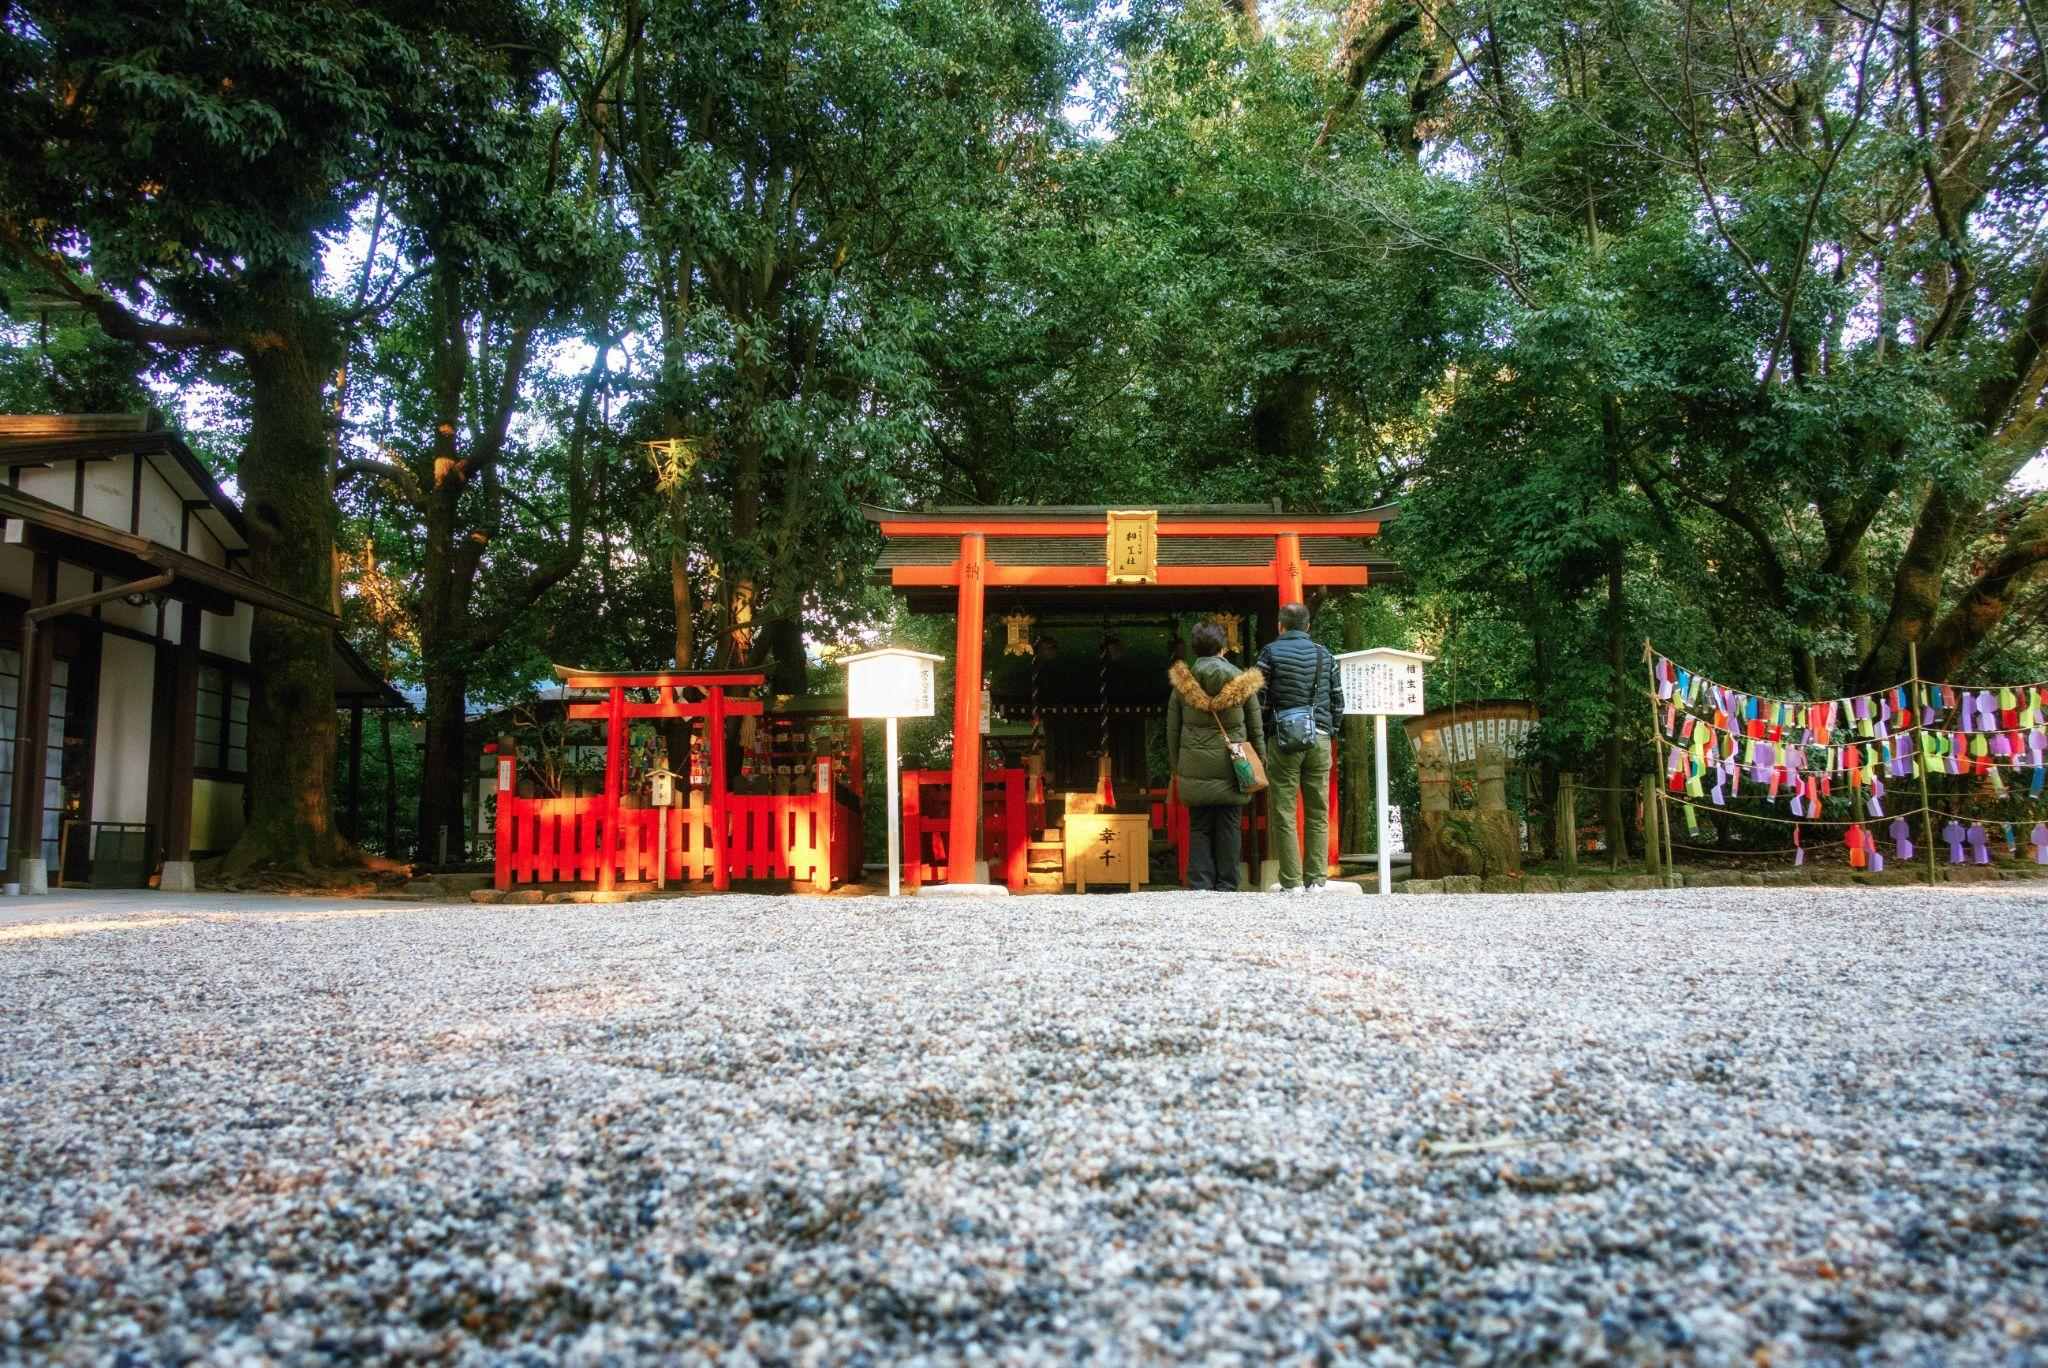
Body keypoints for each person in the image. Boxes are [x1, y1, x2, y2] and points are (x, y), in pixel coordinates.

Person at [1166, 620, 1265, 891]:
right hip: (1233, 766)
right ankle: (1227, 884)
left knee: (1199, 827)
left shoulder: (1182, 685)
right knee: (1230, 827)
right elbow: (1255, 728)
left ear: (1195, 649)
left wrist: (1177, 767)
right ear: (1223, 647)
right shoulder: (1242, 682)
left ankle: (1200, 884)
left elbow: (1172, 731)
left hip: (1193, 765)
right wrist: (1260, 761)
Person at [1256, 601, 1342, 892]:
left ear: (1280, 625)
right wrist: (1330, 730)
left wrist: (1266, 733)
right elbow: (1337, 701)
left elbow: (1261, 701)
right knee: (1318, 811)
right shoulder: (1325, 655)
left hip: (1283, 739)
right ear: (1308, 626)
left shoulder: (1269, 653)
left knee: (1284, 810)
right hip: (1319, 738)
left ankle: (1291, 882)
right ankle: (1316, 881)